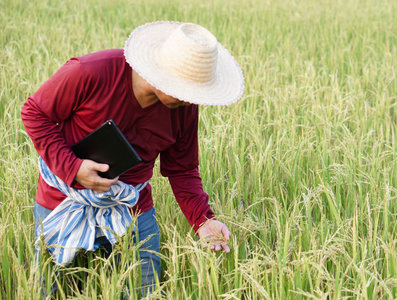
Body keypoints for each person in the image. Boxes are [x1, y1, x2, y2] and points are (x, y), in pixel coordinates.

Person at [21, 21, 244, 295]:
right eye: (185, 90)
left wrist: (202, 219)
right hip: (64, 198)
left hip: (130, 203)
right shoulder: (90, 71)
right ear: (161, 72)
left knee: (146, 288)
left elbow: (182, 169)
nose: (190, 101)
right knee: (47, 288)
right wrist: (74, 167)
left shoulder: (184, 107)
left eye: (196, 94)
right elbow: (34, 113)